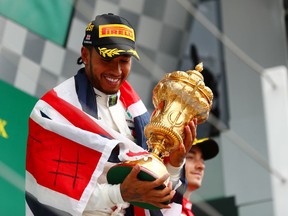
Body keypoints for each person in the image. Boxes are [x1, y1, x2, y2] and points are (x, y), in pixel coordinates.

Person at [25, 13, 197, 216]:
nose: (116, 70)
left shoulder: (138, 115)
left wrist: (175, 164)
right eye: (108, 59)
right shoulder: (52, 110)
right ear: (86, 55)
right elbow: (49, 191)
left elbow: (160, 194)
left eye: (124, 60)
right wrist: (120, 193)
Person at [181, 138, 219, 216]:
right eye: (190, 157)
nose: (201, 166)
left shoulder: (187, 212)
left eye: (202, 160)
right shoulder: (157, 209)